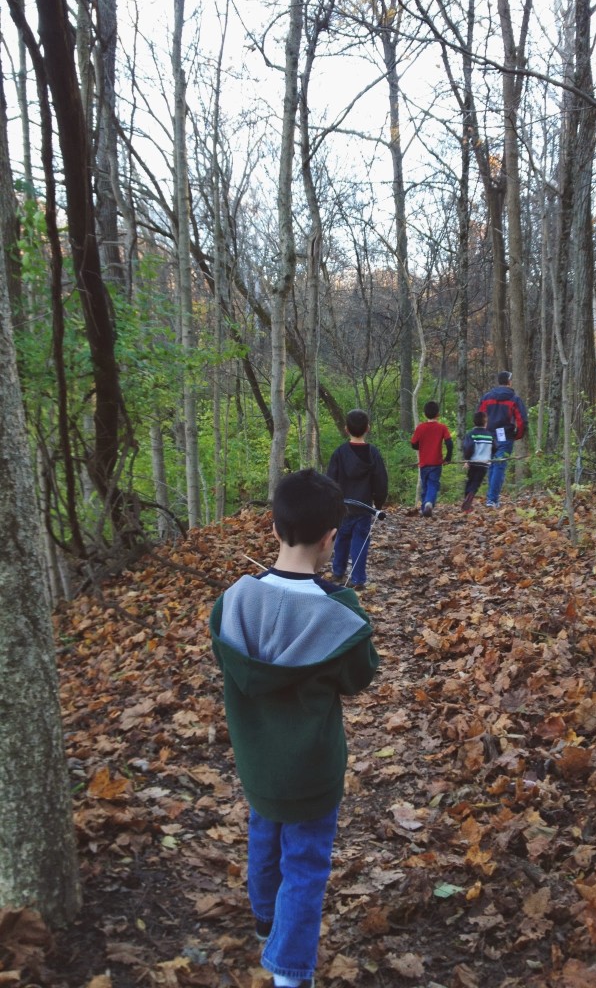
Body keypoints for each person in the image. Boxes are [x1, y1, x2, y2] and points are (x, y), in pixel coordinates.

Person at [209, 469, 379, 988]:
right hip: (312, 770)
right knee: (305, 865)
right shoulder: (340, 614)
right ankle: (289, 970)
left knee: (264, 836)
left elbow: (234, 664)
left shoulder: (234, 602)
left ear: (275, 527)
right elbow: (359, 678)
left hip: (258, 764)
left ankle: (265, 922)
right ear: (331, 538)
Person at [326, 409, 388, 590]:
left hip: (343, 507)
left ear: (346, 429)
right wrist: (379, 502)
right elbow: (381, 480)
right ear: (368, 428)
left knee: (342, 539)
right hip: (363, 507)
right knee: (360, 541)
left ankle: (338, 572)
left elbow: (330, 480)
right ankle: (358, 579)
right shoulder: (373, 453)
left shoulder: (339, 453)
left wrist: (331, 503)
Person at [478, 371, 527, 507]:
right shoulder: (514, 399)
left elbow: (479, 416)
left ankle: (491, 498)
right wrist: (518, 435)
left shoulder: (486, 398)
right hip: (505, 437)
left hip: (488, 436)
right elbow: (522, 421)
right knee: (498, 466)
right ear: (509, 382)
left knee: (493, 465)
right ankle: (492, 499)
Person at [410, 400, 453, 516]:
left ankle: (425, 507)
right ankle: (428, 504)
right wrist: (448, 458)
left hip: (424, 463)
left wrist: (422, 446)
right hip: (436, 463)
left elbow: (413, 444)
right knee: (433, 484)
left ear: (424, 414)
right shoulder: (442, 428)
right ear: (438, 414)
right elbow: (449, 443)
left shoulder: (420, 428)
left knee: (425, 485)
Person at [461, 411, 494, 512]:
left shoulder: (471, 434)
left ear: (474, 422)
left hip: (473, 462)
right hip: (484, 463)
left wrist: (467, 460)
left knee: (470, 480)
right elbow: (495, 447)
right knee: (476, 482)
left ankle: (467, 498)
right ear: (485, 422)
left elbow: (468, 447)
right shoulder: (489, 435)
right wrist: (491, 455)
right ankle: (470, 497)